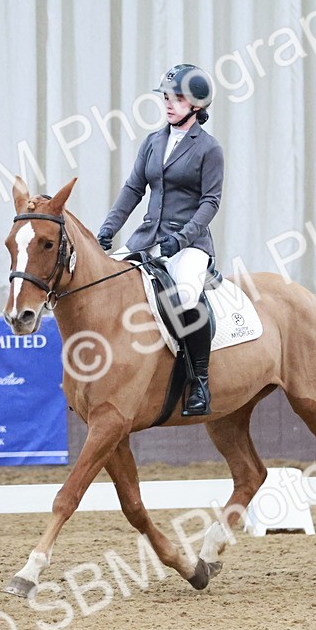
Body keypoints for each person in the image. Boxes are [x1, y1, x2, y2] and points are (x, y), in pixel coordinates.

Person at [98, 64, 223, 417]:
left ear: (196, 105)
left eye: (177, 98)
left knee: (185, 297)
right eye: (167, 96)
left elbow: (210, 203)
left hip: (190, 245)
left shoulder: (209, 149)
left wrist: (182, 240)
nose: (169, 103)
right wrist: (107, 230)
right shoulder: (153, 142)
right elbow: (133, 189)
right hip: (147, 239)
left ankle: (199, 381)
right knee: (104, 283)